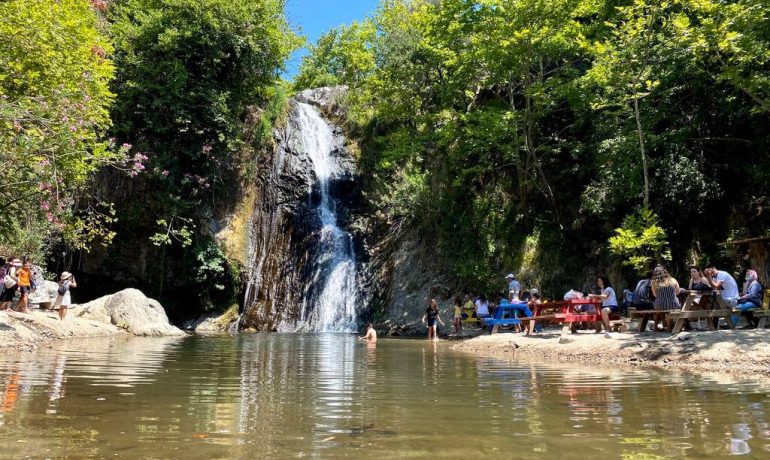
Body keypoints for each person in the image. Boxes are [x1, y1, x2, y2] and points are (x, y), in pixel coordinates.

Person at [652, 265, 681, 331]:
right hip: (673, 304)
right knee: (669, 308)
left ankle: (663, 326)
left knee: (660, 308)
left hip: (659, 305)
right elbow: (678, 292)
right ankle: (668, 326)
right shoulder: (673, 280)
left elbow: (655, 295)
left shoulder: (654, 282)